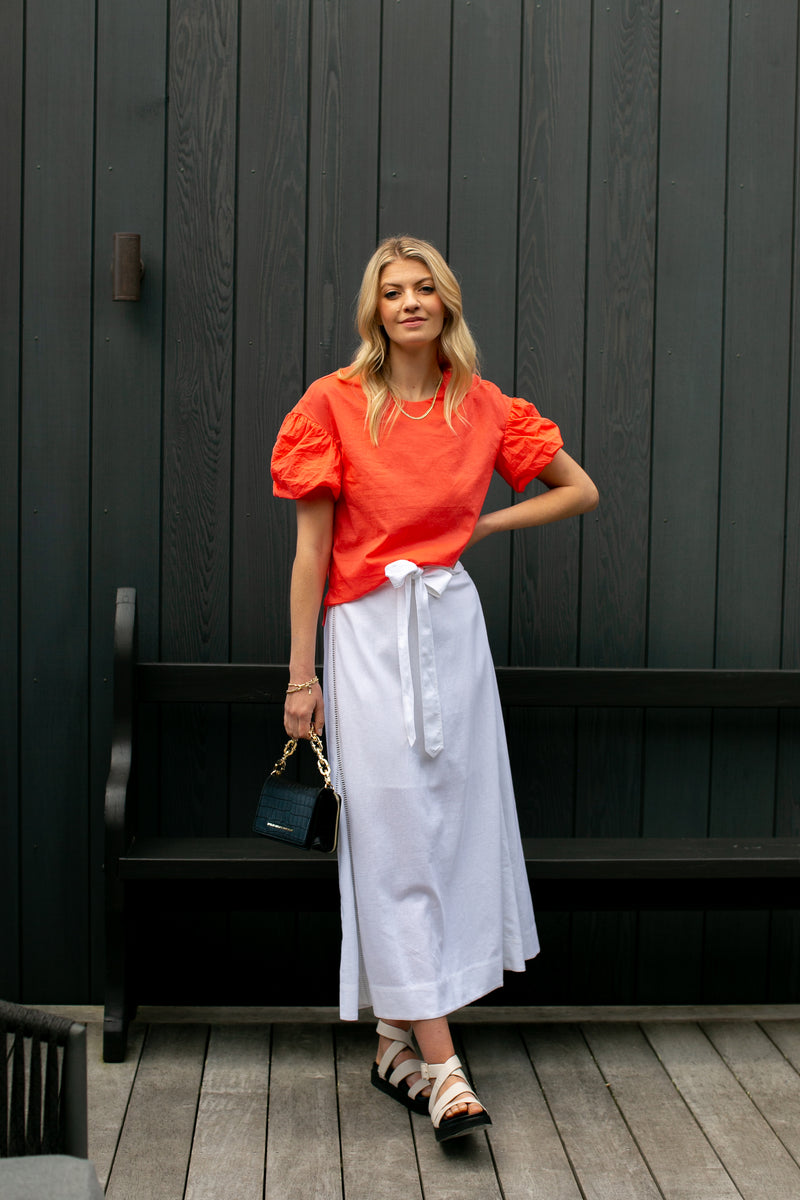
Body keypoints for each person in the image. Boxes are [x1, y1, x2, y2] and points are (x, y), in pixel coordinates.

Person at [271, 235, 598, 1142]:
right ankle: (445, 1070)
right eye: (392, 291)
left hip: (450, 632)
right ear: (374, 310)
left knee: (448, 837)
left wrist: (482, 527)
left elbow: (578, 490)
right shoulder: (332, 404)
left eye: (424, 288)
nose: (409, 302)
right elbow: (310, 555)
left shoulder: (483, 406)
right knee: (394, 839)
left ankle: (395, 1041)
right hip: (366, 639)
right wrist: (301, 677)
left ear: (446, 302)